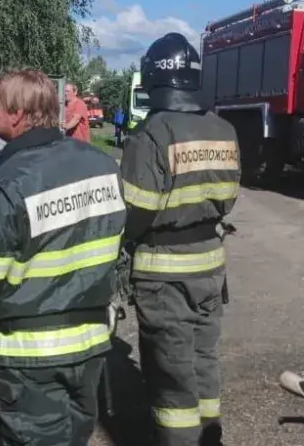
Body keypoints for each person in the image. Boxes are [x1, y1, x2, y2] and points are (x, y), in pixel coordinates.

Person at [0, 68, 127, 446]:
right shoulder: (103, 167)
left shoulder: (0, 185)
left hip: (27, 357)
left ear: (18, 114)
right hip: (91, 346)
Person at [120, 33, 241, 446]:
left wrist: (122, 248)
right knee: (204, 359)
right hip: (210, 264)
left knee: (171, 375)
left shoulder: (152, 134)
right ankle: (211, 437)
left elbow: (134, 210)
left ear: (153, 78)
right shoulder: (224, 130)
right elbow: (228, 199)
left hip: (163, 271)